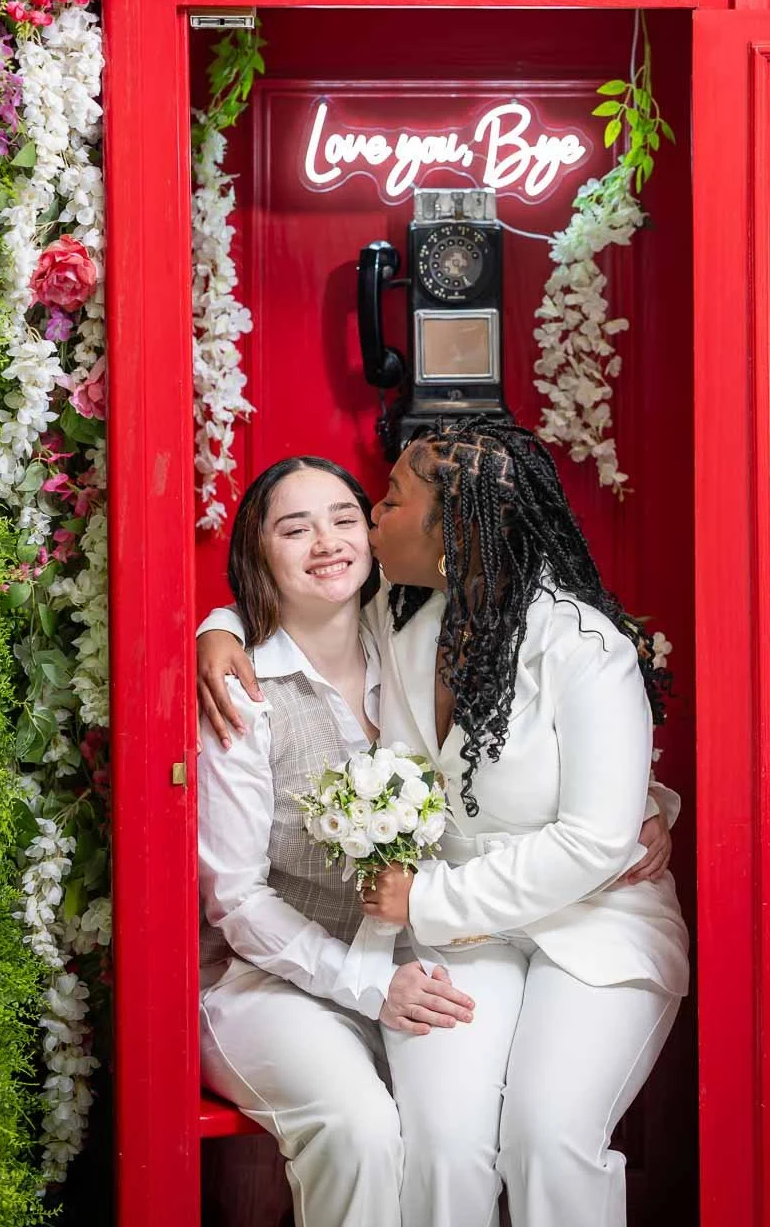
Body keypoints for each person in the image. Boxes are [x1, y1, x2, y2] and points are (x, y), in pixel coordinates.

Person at [198, 422, 685, 1227]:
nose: (366, 519)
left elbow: (596, 838)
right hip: (465, 937)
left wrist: (424, 903)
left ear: (451, 531)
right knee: (440, 1142)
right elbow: (290, 593)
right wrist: (215, 629)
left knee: (545, 1136)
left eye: (385, 502)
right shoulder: (400, 613)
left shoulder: (585, 646)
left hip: (589, 925)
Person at [196, 456, 478, 1227]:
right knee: (357, 1131)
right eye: (294, 528)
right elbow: (236, 899)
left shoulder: (415, 640)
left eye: (344, 518)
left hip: (415, 961)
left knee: (462, 1133)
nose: (325, 541)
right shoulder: (241, 690)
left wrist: (644, 803)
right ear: (257, 554)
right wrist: (363, 984)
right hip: (266, 982)